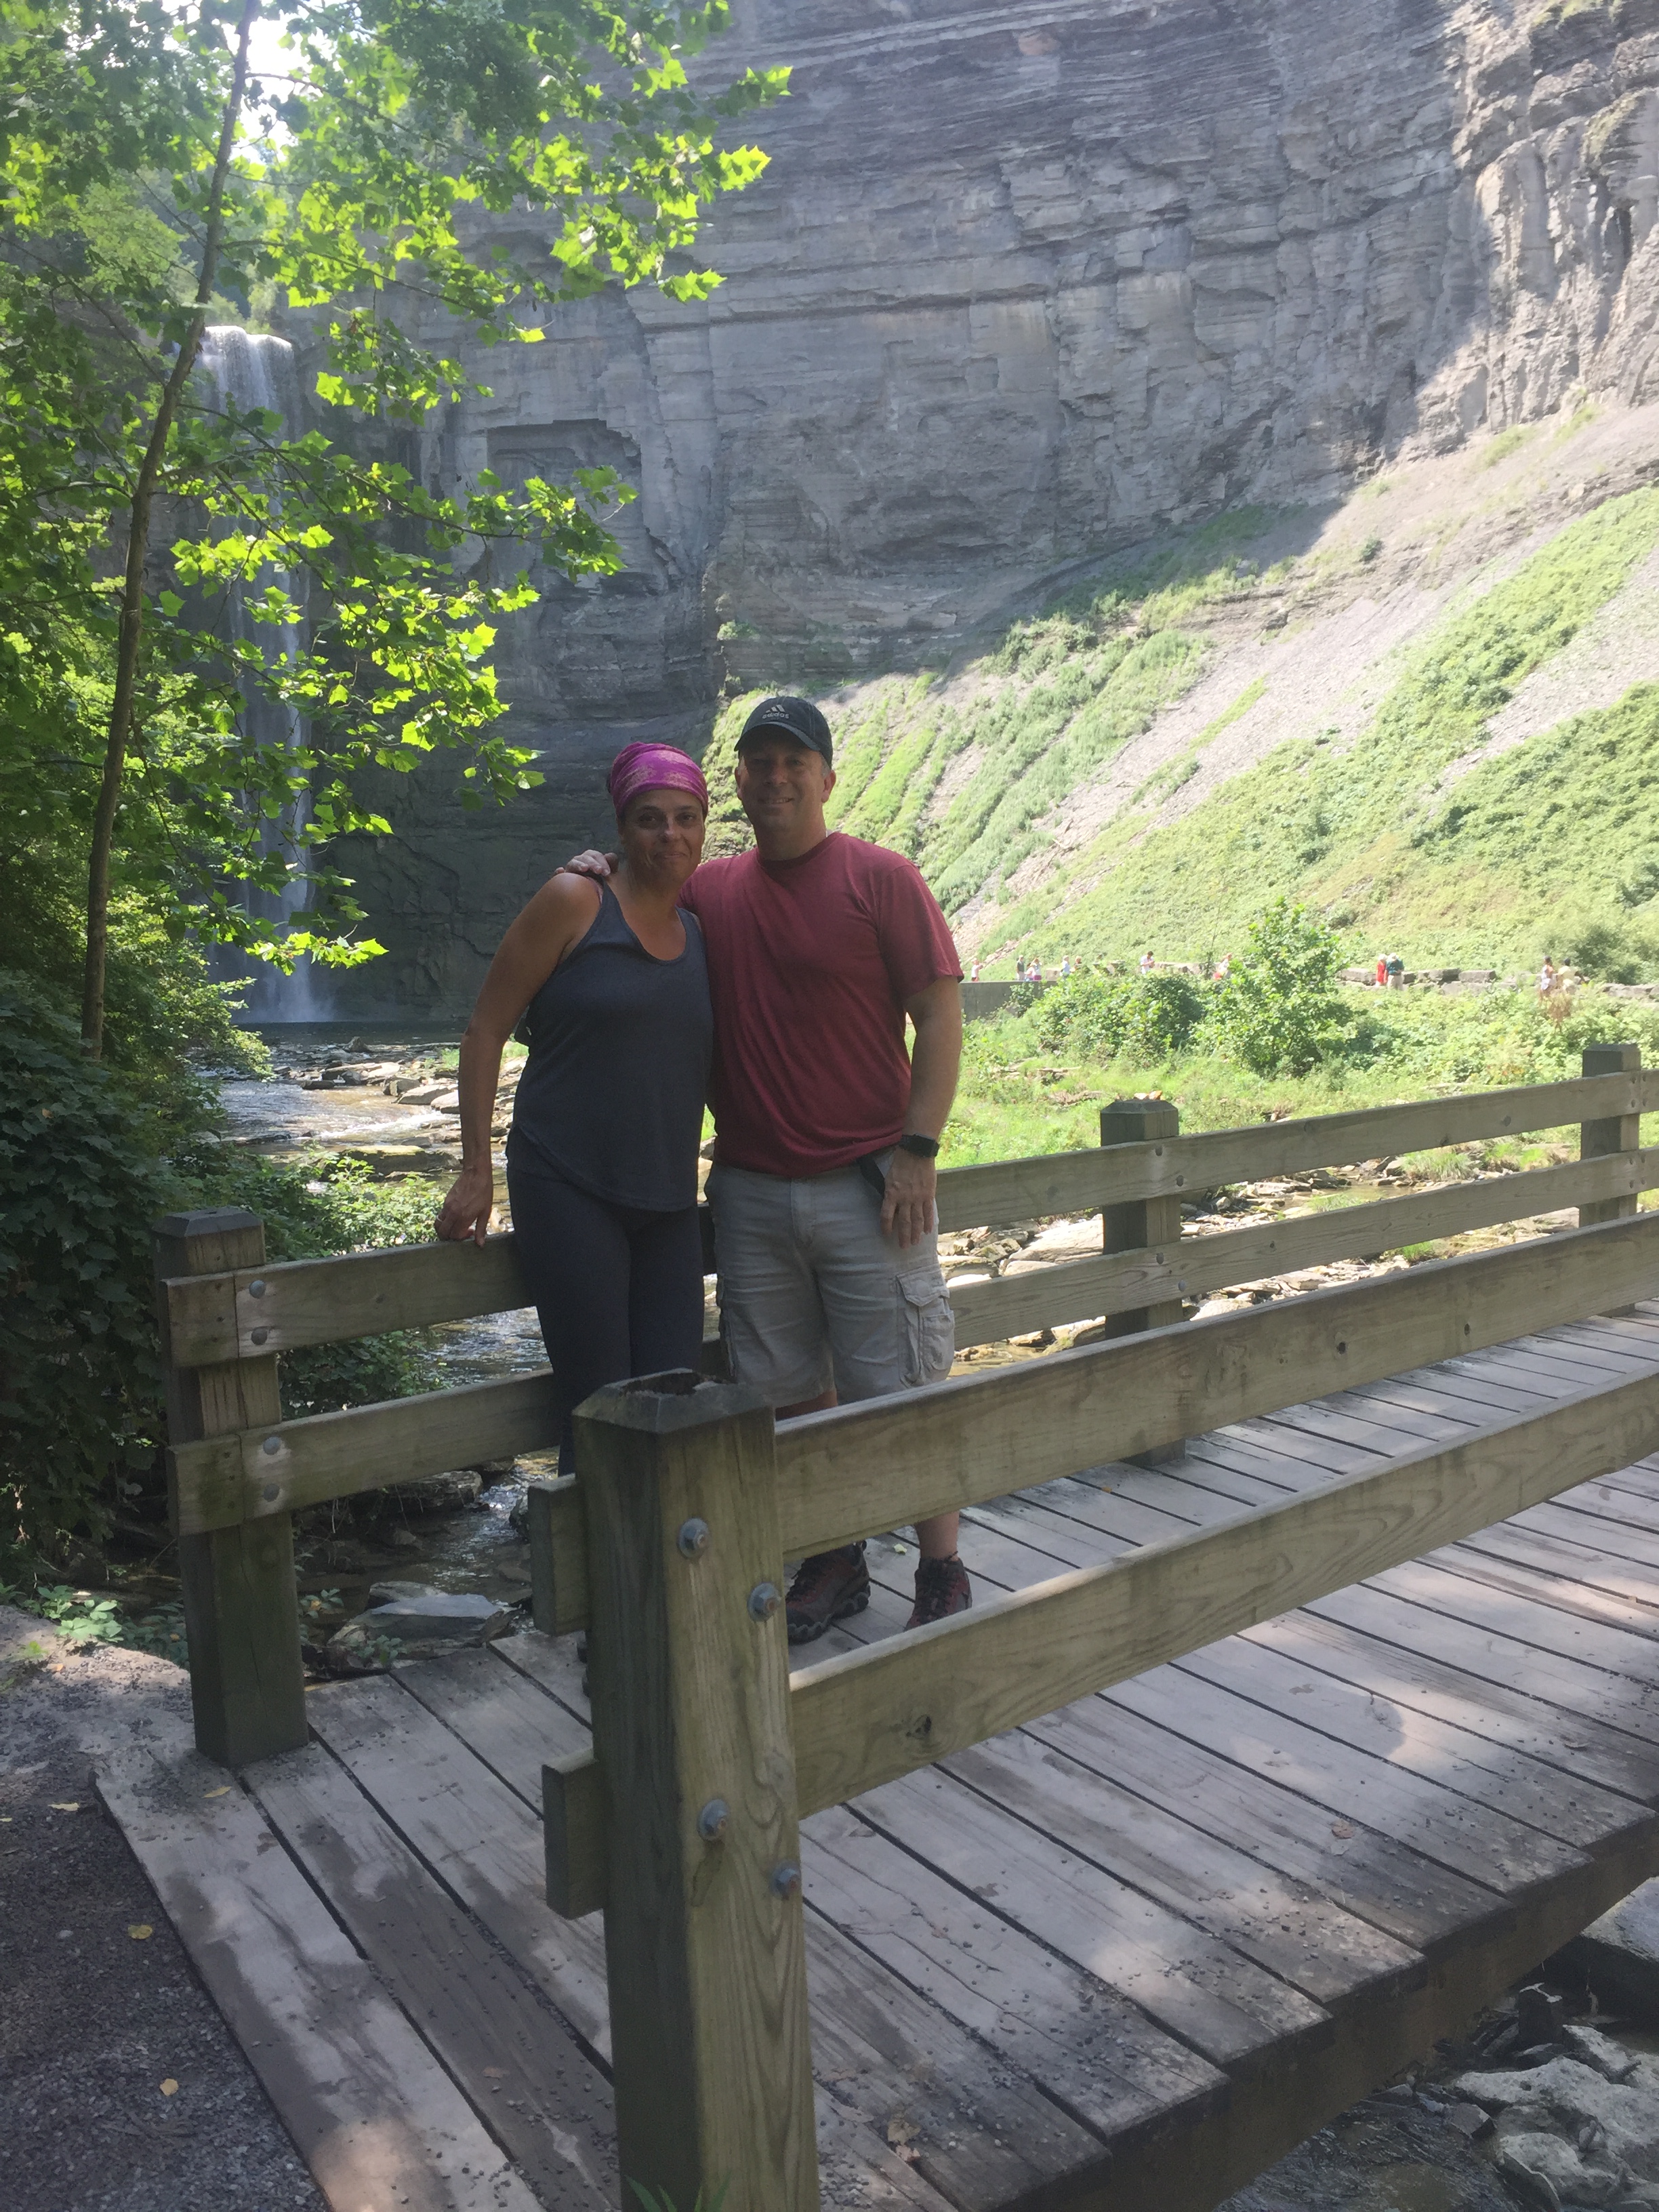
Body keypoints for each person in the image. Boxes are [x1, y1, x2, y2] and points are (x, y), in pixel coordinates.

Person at [566, 693, 968, 1638]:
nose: (777, 778)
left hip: (871, 1188)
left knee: (903, 1391)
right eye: (760, 763)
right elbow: (636, 897)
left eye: (795, 762)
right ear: (738, 783)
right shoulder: (709, 892)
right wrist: (593, 872)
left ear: (826, 777)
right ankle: (834, 1558)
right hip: (749, 1190)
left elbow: (940, 1014)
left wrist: (919, 1149)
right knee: (787, 1392)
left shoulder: (881, 878)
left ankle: (943, 1569)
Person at [434, 745, 713, 1471]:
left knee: (675, 1399)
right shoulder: (575, 900)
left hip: (667, 1198)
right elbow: (485, 1030)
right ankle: (577, 1545)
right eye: (649, 819)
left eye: (686, 818)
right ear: (620, 828)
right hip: (566, 1182)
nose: (669, 834)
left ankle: (655, 1548)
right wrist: (475, 1171)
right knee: (598, 1405)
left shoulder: (701, 927)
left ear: (704, 827)